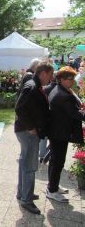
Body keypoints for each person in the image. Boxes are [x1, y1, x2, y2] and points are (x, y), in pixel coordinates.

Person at [14, 61, 54, 215]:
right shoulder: (32, 86)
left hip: (26, 130)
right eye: (49, 76)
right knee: (30, 166)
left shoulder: (34, 84)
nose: (50, 80)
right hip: (27, 131)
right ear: (43, 73)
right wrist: (31, 127)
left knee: (25, 162)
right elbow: (20, 108)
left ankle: (22, 193)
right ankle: (26, 199)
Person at [46, 66, 85, 203]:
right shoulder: (63, 95)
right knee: (58, 162)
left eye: (72, 79)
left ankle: (53, 186)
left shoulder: (60, 89)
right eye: (68, 79)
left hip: (56, 131)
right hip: (59, 132)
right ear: (61, 79)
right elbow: (76, 114)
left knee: (55, 161)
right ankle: (52, 190)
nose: (71, 81)